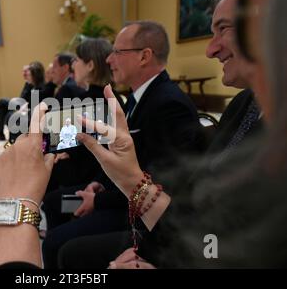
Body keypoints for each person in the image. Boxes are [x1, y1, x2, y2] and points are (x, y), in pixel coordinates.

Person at [57, 0, 270, 269]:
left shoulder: (169, 104)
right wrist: (149, 246)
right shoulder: (243, 103)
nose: (211, 49)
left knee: (67, 248)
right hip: (183, 233)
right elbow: (198, 198)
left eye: (223, 29)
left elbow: (177, 183)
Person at [42, 22, 202, 268]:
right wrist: (98, 184)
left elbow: (161, 182)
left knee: (57, 242)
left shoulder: (169, 105)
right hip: (113, 195)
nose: (109, 59)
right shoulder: (138, 98)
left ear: (144, 56)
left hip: (136, 214)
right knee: (55, 205)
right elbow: (117, 157)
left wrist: (98, 200)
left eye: (118, 52)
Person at [0, 61, 45, 142]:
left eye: (28, 73)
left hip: (32, 115)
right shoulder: (32, 85)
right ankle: (3, 136)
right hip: (25, 109)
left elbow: (31, 104)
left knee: (3, 102)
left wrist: (24, 109)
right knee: (4, 110)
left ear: (34, 75)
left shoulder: (39, 88)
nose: (26, 74)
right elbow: (23, 98)